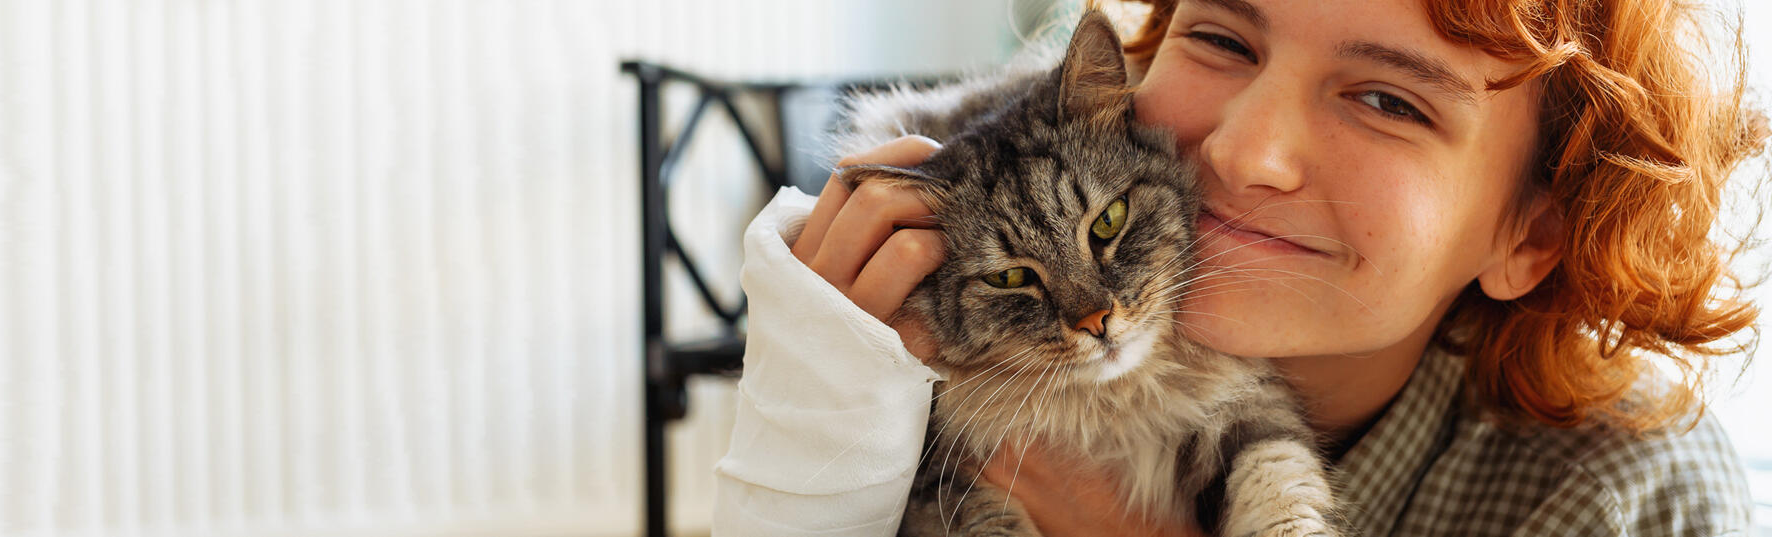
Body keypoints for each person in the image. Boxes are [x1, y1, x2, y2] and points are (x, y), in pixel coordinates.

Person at [712, 0, 1764, 535]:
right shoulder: (919, 349)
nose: (1242, 153)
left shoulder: (1640, 498)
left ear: (1530, 234)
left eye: (1389, 101)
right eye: (1220, 36)